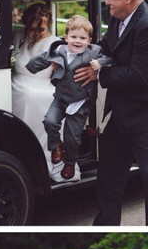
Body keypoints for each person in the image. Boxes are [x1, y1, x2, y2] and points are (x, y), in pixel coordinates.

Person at [75, 0, 148, 226]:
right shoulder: (118, 19)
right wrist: (78, 54)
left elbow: (139, 75)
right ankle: (105, 230)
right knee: (108, 177)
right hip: (120, 116)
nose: (107, 2)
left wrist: (101, 74)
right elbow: (108, 50)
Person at [27, 15, 112, 182]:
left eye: (82, 38)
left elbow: (110, 59)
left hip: (80, 102)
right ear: (66, 38)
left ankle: (70, 163)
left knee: (72, 137)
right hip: (61, 98)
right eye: (73, 37)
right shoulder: (60, 50)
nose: (78, 41)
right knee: (49, 122)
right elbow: (42, 59)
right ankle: (56, 146)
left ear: (89, 40)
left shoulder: (93, 52)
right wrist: (29, 66)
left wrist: (100, 64)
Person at [11, 2, 62, 180]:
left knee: (30, 97)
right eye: (31, 28)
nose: (35, 32)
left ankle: (37, 158)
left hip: (41, 86)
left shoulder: (54, 43)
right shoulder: (20, 36)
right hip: (17, 81)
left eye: (40, 28)